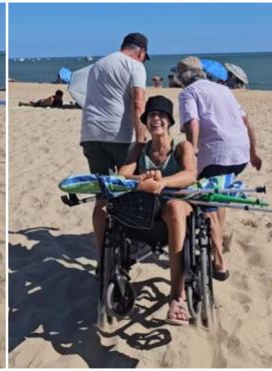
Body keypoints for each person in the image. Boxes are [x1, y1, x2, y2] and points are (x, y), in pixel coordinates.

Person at [175, 56, 262, 282]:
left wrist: (192, 150)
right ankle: (220, 234)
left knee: (207, 202)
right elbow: (247, 122)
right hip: (240, 153)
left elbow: (193, 123)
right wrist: (253, 152)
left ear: (183, 77)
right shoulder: (223, 90)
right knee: (218, 192)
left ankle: (219, 261)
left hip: (217, 154)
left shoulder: (188, 93)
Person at [118, 95, 197, 325]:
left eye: (161, 115)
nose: (156, 119)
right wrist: (142, 178)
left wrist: (162, 182)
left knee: (173, 207)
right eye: (152, 115)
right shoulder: (140, 148)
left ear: (169, 121)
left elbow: (190, 174)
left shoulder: (182, 147)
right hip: (145, 211)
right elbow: (122, 174)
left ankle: (177, 297)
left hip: (176, 203)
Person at [80, 32, 149, 250]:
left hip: (90, 134)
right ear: (141, 52)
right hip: (119, 135)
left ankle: (101, 251)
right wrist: (141, 139)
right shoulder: (135, 66)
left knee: (102, 195)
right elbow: (139, 104)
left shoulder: (98, 65)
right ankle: (132, 241)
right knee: (132, 189)